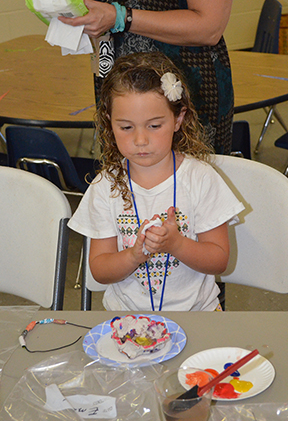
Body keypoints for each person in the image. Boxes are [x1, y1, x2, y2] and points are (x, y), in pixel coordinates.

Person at [68, 51, 244, 312]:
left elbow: (219, 260)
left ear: (178, 119)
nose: (140, 140)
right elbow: (99, 270)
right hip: (127, 319)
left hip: (200, 315)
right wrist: (133, 256)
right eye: (126, 127)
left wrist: (177, 244)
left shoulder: (200, 178)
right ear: (109, 124)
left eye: (154, 126)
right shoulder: (105, 186)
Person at [57, 0, 236, 154]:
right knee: (123, 174)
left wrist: (121, 17)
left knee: (187, 177)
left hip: (182, 83)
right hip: (117, 77)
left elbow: (210, 27)